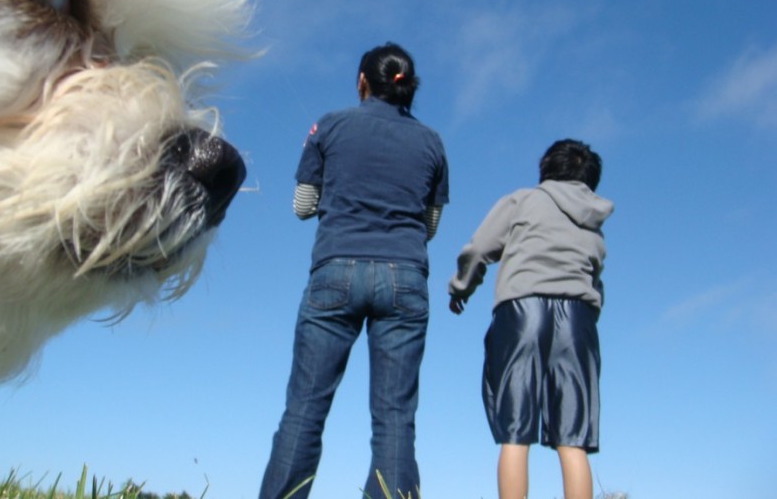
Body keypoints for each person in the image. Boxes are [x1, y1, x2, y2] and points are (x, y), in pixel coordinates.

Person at [259, 43, 449, 499]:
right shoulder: (431, 142)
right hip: (405, 277)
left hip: (335, 272)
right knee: (395, 418)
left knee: (305, 409)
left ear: (363, 81)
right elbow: (430, 225)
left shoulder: (329, 124)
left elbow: (303, 206)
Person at [448, 139, 613, 499]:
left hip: (522, 311)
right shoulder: (595, 221)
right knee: (573, 438)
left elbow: (479, 249)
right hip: (578, 319)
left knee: (514, 431)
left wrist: (461, 288)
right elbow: (596, 278)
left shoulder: (522, 200)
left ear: (546, 167)